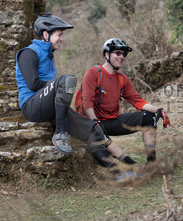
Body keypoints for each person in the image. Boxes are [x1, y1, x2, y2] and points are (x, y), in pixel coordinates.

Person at [69, 38, 170, 178]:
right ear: (106, 55)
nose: (121, 57)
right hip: (92, 123)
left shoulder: (122, 79)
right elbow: (87, 102)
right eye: (117, 53)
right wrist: (94, 121)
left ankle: (151, 164)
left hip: (113, 121)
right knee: (98, 135)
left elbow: (138, 101)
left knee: (149, 117)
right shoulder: (93, 73)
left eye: (123, 54)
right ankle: (131, 166)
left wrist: (159, 110)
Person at [15, 14, 77, 155]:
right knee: (66, 80)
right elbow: (33, 83)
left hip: (47, 102)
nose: (62, 39)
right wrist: (57, 85)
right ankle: (60, 134)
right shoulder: (28, 53)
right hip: (31, 106)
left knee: (93, 130)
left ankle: (126, 166)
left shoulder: (49, 55)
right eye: (59, 35)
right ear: (45, 34)